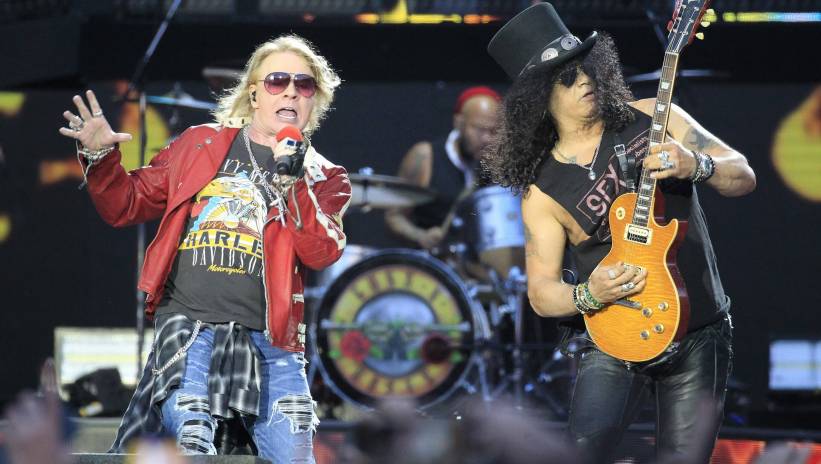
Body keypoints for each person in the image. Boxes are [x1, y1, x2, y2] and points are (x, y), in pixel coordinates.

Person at [58, 34, 351, 462]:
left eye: (304, 84)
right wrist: (101, 158)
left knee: (294, 455)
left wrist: (294, 185)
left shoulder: (324, 176)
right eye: (278, 81)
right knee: (192, 441)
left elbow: (322, 251)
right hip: (189, 328)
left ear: (315, 99)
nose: (291, 91)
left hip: (273, 346)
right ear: (254, 93)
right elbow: (126, 204)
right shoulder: (200, 144)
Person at [484, 3, 756, 463]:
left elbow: (743, 175)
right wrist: (589, 294)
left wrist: (697, 164)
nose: (584, 80)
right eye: (566, 77)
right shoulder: (542, 192)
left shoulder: (655, 117)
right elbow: (542, 293)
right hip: (613, 337)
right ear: (538, 97)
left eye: (584, 67)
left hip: (699, 330)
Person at [384, 86, 500, 250]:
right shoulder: (426, 156)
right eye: (479, 129)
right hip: (431, 261)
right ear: (459, 123)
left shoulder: (498, 165)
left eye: (494, 131)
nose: (487, 138)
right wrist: (420, 236)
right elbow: (394, 216)